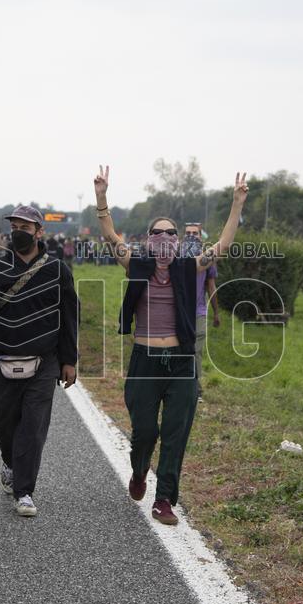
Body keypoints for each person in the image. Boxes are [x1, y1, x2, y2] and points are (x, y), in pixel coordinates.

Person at [93, 165, 247, 525]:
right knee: (145, 431)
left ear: (178, 239)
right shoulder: (135, 263)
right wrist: (102, 197)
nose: (164, 237)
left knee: (176, 431)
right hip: (144, 360)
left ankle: (164, 500)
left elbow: (222, 245)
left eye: (170, 232)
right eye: (157, 232)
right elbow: (109, 236)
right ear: (148, 239)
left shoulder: (188, 266)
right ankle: (139, 469)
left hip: (181, 361)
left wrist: (237, 204)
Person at [0, 206, 79, 517]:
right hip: (3, 360)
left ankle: (24, 491)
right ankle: (9, 460)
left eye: (25, 227)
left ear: (39, 232)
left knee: (32, 427)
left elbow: (70, 318)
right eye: (14, 225)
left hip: (44, 363)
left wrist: (69, 360)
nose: (18, 231)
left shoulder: (58, 271)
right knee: (3, 425)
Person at [181, 223, 221, 403]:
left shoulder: (207, 258)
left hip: (199, 311)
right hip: (179, 311)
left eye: (195, 233)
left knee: (196, 350)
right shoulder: (176, 255)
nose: (191, 236)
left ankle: (194, 388)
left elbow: (211, 285)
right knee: (180, 350)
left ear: (201, 236)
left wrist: (216, 312)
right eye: (188, 233)